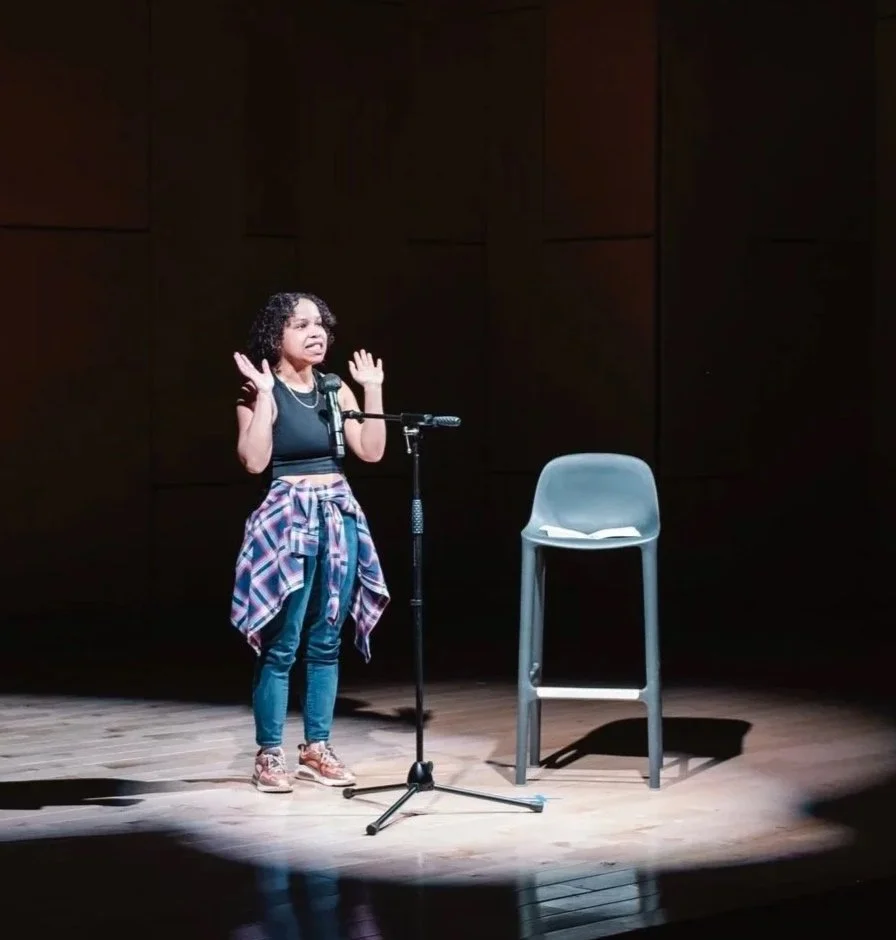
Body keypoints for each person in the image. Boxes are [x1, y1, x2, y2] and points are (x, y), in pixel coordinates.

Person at [229, 291, 390, 794]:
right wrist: (263, 397)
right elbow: (254, 461)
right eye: (301, 325)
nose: (316, 332)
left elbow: (371, 451)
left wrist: (372, 390)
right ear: (275, 335)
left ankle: (316, 748)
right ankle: (269, 753)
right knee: (283, 642)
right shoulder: (258, 389)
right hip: (288, 520)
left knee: (326, 640)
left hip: (337, 515)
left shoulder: (336, 389)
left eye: (319, 324)